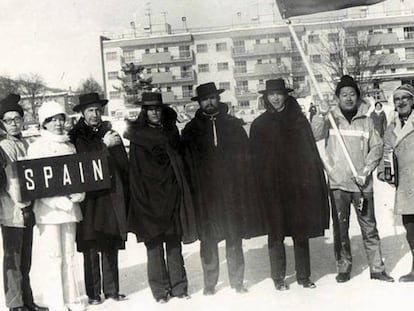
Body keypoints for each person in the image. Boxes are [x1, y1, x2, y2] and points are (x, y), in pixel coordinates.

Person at [181, 82, 265, 295]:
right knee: (208, 239)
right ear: (199, 103)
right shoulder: (191, 131)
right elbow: (186, 165)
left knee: (233, 236)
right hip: (205, 196)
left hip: (231, 194)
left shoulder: (233, 126)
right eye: (204, 99)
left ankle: (237, 281)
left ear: (218, 99)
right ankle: (210, 283)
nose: (209, 102)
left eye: (212, 98)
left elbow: (246, 161)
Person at [312, 75, 393, 283]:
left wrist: (365, 170)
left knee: (369, 227)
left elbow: (377, 147)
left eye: (352, 94)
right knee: (341, 228)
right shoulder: (330, 118)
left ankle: (376, 267)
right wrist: (320, 115)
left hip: (362, 184)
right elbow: (315, 134)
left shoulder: (366, 122)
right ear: (337, 97)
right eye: (344, 94)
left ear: (358, 97)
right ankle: (344, 267)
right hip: (339, 184)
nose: (348, 98)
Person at [250, 79, 330, 290]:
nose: (276, 97)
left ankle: (304, 276)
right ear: (266, 97)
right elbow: (255, 161)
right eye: (271, 94)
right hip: (272, 188)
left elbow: (310, 151)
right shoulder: (259, 125)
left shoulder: (298, 120)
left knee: (299, 231)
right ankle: (278, 277)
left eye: (279, 93)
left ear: (285, 95)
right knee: (275, 233)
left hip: (296, 187)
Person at [124, 92, 197, 303]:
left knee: (174, 244)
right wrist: (142, 202)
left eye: (157, 109)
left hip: (172, 194)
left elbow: (179, 161)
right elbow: (135, 172)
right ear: (144, 112)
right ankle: (160, 291)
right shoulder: (138, 137)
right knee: (154, 247)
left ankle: (179, 288)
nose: (154, 113)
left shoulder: (171, 131)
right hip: (149, 199)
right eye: (149, 109)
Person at [68, 93, 129, 305]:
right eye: (90, 111)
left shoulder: (109, 130)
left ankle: (112, 290)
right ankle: (94, 293)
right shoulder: (76, 136)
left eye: (97, 110)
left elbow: (122, 162)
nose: (95, 115)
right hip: (90, 199)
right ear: (82, 113)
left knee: (110, 242)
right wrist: (104, 146)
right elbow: (84, 165)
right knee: (91, 244)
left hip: (109, 195)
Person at [27, 101, 85, 311]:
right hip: (48, 212)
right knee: (53, 256)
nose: (58, 124)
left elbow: (77, 176)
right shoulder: (37, 147)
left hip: (70, 210)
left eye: (61, 119)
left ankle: (73, 299)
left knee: (69, 255)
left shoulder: (69, 146)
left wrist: (79, 194)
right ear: (44, 123)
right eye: (52, 120)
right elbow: (35, 183)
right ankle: (56, 302)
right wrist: (55, 201)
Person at [0, 94, 48, 311]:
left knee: (26, 258)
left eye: (17, 119)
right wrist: (21, 203)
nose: (14, 124)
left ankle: (27, 300)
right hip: (12, 210)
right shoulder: (3, 147)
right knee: (13, 257)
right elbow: (10, 179)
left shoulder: (27, 143)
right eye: (8, 120)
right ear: (2, 123)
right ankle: (15, 303)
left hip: (28, 208)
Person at [378, 84, 414, 282]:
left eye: (405, 98)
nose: (401, 102)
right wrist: (384, 171)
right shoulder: (391, 128)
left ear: (413, 100)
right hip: (406, 186)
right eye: (397, 99)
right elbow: (386, 151)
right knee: (410, 228)